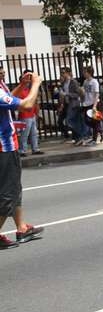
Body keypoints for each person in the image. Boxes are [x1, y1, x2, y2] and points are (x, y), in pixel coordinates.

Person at [0, 70, 45, 249]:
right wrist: (36, 84)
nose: (2, 70)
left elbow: (8, 100)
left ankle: (22, 228)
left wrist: (22, 86)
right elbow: (26, 105)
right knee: (7, 195)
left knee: (14, 188)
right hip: (4, 148)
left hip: (8, 147)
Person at [12, 69, 43, 156]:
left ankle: (35, 148)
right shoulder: (21, 91)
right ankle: (22, 150)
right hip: (25, 115)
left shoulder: (29, 90)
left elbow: (35, 102)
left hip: (31, 114)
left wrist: (37, 112)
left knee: (34, 133)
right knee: (25, 134)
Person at [57, 67, 85, 145]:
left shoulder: (73, 82)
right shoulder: (63, 83)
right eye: (61, 72)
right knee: (67, 121)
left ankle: (80, 136)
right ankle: (77, 139)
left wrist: (67, 94)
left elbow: (77, 94)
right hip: (66, 104)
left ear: (68, 73)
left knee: (70, 121)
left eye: (63, 72)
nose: (62, 74)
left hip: (73, 104)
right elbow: (63, 93)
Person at [80, 66, 102, 146]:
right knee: (86, 120)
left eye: (85, 72)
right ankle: (101, 130)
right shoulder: (85, 81)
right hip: (86, 103)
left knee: (95, 122)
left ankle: (94, 139)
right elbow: (84, 93)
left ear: (89, 73)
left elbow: (97, 94)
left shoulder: (94, 82)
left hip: (93, 103)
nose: (84, 74)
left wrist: (95, 106)